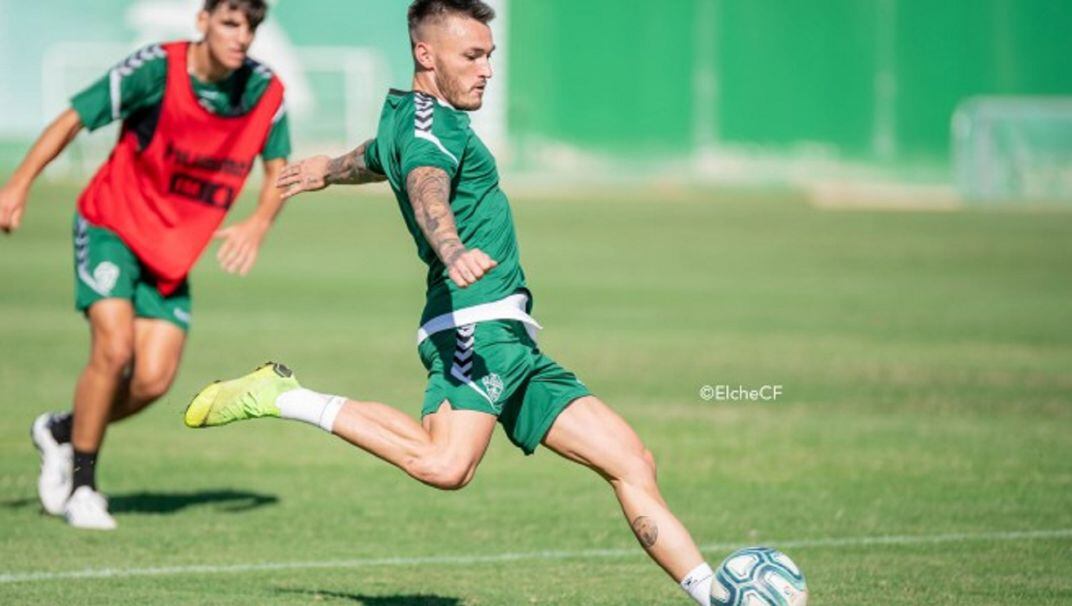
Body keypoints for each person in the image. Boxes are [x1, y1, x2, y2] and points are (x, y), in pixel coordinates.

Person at [183, 1, 716, 603]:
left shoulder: (408, 118)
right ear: (425, 55)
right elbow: (425, 185)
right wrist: (451, 245)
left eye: (489, 54)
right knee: (444, 465)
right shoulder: (432, 131)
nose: (487, 68)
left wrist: (329, 169)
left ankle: (718, 595)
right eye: (472, 55)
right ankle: (284, 395)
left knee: (631, 460)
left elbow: (379, 157)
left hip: (511, 339)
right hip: (472, 326)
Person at [0, 0, 290, 530]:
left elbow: (278, 171)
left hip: (171, 255)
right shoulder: (156, 68)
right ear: (202, 20)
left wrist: (260, 222)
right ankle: (84, 486)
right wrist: (18, 184)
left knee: (153, 380)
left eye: (251, 26)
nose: (241, 36)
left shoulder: (265, 92)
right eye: (230, 21)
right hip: (111, 223)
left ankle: (62, 431)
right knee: (112, 348)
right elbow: (74, 118)